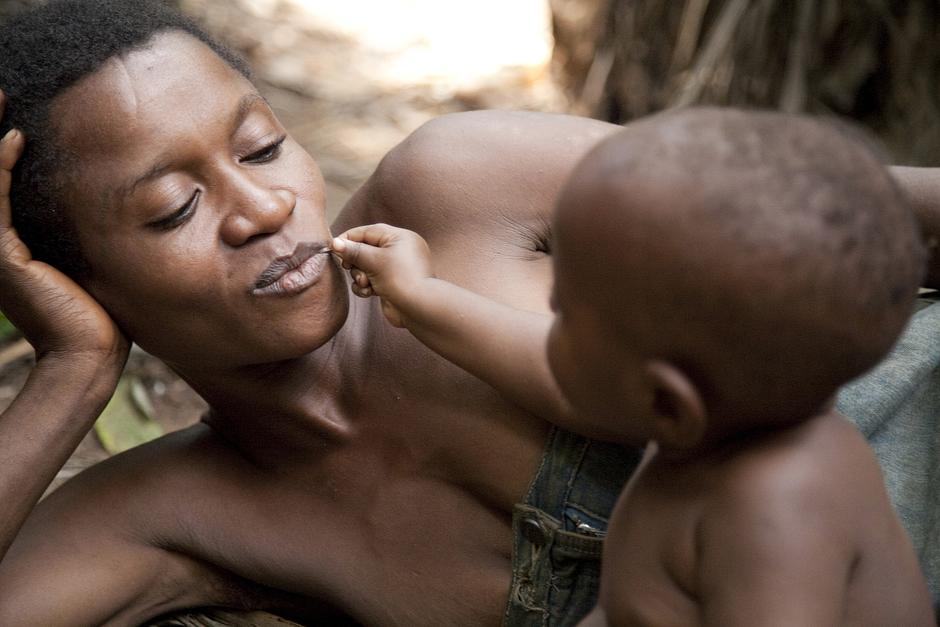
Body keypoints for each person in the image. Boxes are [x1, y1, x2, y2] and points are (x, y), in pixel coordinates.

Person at [0, 1, 938, 625]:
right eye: (174, 208)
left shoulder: (456, 188)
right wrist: (73, 364)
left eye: (262, 147)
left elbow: (878, 210)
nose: (265, 209)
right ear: (73, 277)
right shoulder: (171, 514)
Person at [329, 107, 935, 625]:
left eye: (561, 318)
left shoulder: (777, 512)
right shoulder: (703, 432)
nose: (541, 330)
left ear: (666, 403)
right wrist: (419, 296)